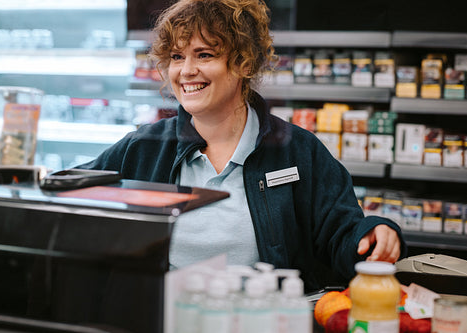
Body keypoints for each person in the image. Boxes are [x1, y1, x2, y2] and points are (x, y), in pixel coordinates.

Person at [77, 0, 406, 291]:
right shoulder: (144, 146)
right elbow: (70, 193)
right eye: (177, 57)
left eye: (204, 55)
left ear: (244, 63)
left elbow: (342, 232)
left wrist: (373, 232)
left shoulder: (297, 151)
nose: (186, 70)